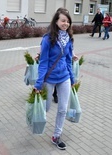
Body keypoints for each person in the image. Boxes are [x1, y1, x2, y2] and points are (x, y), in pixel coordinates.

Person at [34, 8, 75, 150]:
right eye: (63, 20)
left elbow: (69, 60)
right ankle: (32, 116)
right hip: (49, 78)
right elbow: (43, 62)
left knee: (62, 109)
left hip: (64, 77)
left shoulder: (69, 38)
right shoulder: (47, 39)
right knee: (46, 107)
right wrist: (39, 83)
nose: (66, 23)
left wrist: (72, 78)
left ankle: (56, 136)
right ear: (56, 21)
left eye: (68, 21)